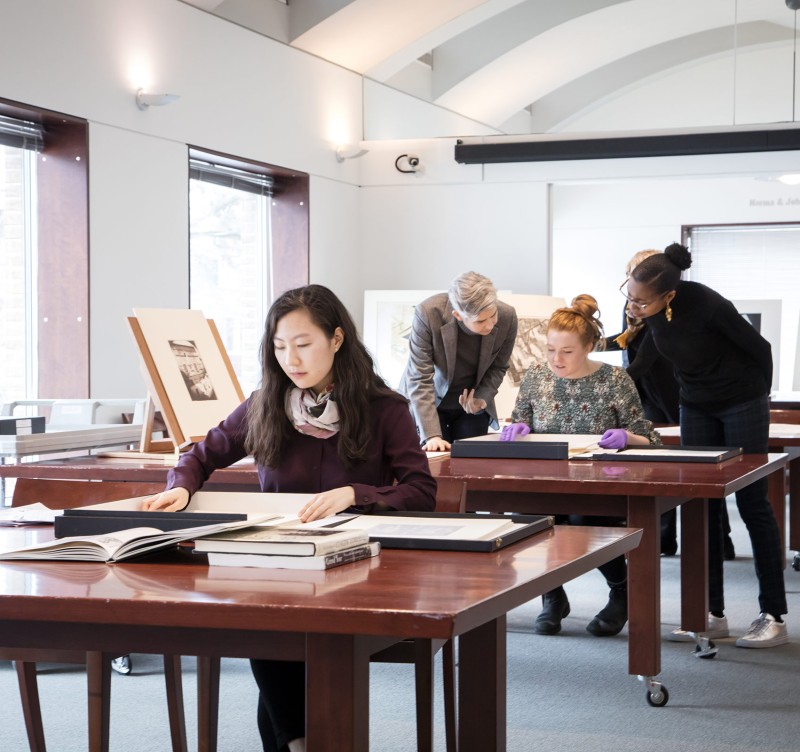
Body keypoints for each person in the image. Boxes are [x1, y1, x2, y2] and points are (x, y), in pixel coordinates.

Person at [143, 284, 437, 752]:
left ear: (337, 339)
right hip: (277, 561)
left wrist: (352, 493)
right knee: (266, 618)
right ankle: (300, 743)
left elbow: (422, 492)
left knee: (274, 629)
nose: (291, 360)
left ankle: (296, 744)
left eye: (303, 345)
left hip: (356, 570)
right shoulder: (267, 403)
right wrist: (180, 486)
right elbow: (200, 455)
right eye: (280, 347)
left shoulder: (385, 408)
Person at [625, 242, 788, 648]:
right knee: (701, 504)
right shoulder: (654, 314)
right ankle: (710, 612)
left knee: (752, 501)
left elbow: (761, 350)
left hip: (741, 402)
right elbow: (642, 363)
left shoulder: (709, 304)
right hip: (695, 404)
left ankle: (773, 615)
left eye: (640, 301)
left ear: (668, 295)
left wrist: (756, 398)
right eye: (628, 295)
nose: (632, 305)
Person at [501, 294, 661, 637]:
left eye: (567, 351)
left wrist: (626, 437)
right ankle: (553, 596)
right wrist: (518, 428)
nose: (556, 360)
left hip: (600, 482)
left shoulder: (615, 380)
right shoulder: (536, 377)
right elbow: (519, 419)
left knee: (581, 518)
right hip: (546, 479)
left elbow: (650, 438)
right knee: (529, 519)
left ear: (589, 346)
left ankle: (622, 590)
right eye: (550, 350)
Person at [606, 250, 684, 556]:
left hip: (667, 392)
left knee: (672, 465)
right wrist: (591, 342)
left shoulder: (665, 309)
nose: (633, 295)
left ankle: (670, 537)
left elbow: (644, 360)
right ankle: (662, 537)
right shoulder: (630, 305)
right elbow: (626, 339)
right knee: (653, 464)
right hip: (643, 392)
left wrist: (606, 384)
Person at [398, 271, 518, 451]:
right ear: (458, 315)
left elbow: (498, 367)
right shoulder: (428, 313)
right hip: (429, 403)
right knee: (435, 463)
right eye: (481, 321)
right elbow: (419, 377)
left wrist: (482, 399)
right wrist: (432, 436)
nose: (490, 325)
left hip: (472, 406)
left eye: (493, 316)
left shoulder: (508, 316)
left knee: (472, 465)